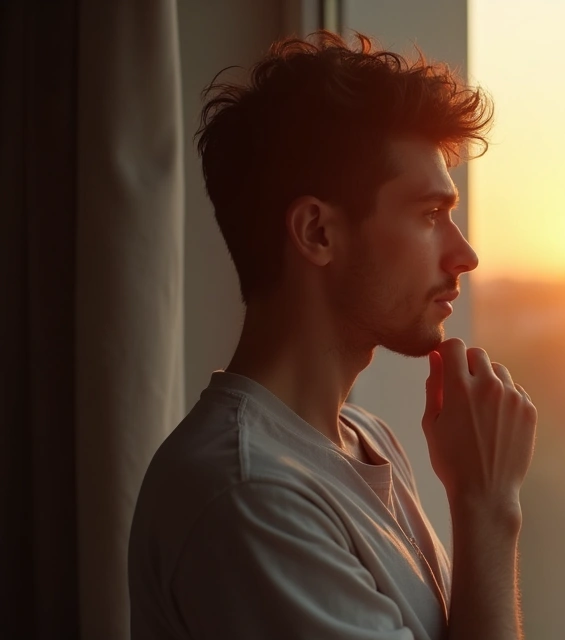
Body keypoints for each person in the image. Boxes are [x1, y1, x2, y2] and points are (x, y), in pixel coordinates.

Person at [128, 32, 536, 640]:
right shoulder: (251, 494)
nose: (465, 255)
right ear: (317, 232)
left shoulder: (366, 439)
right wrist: (488, 506)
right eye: (429, 216)